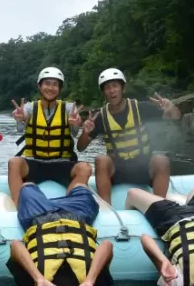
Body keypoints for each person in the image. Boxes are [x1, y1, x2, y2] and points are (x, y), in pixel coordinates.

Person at [7, 182, 114, 286]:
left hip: (38, 217)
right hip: (79, 215)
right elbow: (107, 245)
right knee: (80, 185)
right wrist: (89, 281)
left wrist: (39, 279)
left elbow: (15, 245)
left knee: (27, 186)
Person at [77, 68, 182, 205]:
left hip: (143, 167)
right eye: (107, 87)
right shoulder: (100, 117)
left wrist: (171, 108)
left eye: (115, 86)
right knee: (101, 159)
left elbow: (176, 117)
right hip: (117, 170)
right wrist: (85, 132)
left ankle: (159, 205)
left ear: (123, 89)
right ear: (103, 92)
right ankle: (107, 207)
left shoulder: (141, 108)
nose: (112, 90)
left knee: (161, 159)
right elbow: (80, 147)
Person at [8, 67, 92, 206]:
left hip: (62, 163)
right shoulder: (29, 108)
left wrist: (77, 123)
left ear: (60, 88)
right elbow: (22, 120)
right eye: (47, 83)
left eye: (55, 84)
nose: (51, 88)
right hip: (34, 162)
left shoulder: (69, 109)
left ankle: (68, 203)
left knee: (85, 168)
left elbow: (75, 131)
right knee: (14, 162)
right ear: (40, 86)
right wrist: (21, 118)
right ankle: (18, 205)